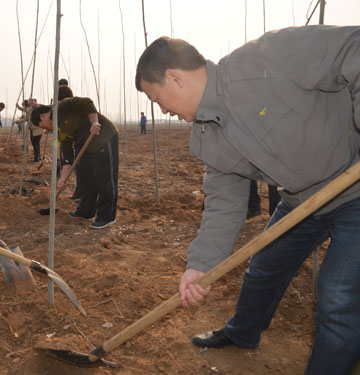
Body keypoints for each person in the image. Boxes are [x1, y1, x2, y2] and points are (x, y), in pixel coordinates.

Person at [135, 26, 360, 374]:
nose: (162, 111)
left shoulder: (267, 57)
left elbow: (352, 46)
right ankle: (243, 333)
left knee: (338, 297)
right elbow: (225, 205)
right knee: (264, 266)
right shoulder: (206, 139)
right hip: (301, 201)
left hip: (354, 187)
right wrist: (201, 265)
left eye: (155, 99)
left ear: (174, 78)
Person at [31, 90, 119, 229]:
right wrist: (63, 178)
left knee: (105, 178)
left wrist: (94, 123)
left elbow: (87, 103)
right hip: (86, 144)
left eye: (42, 126)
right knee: (86, 178)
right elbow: (67, 157)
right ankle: (86, 211)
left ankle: (106, 216)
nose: (44, 130)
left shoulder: (63, 106)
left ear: (43, 116)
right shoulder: (59, 132)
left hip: (104, 137)